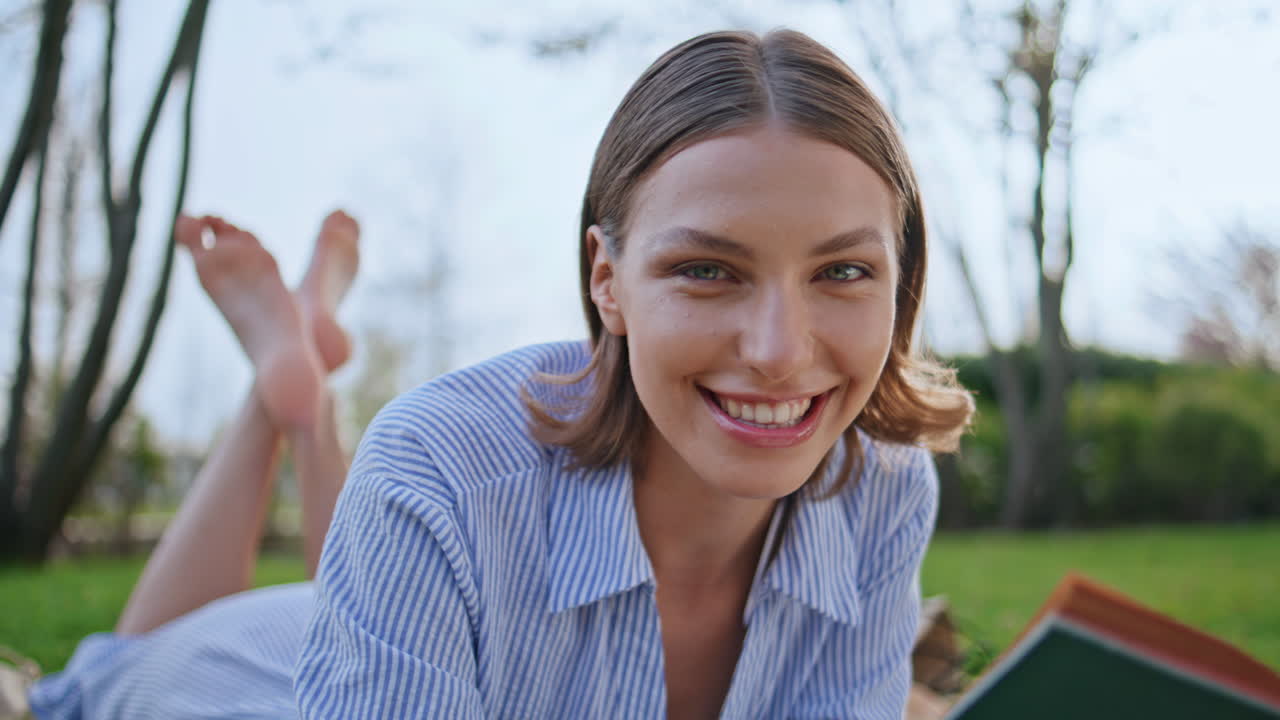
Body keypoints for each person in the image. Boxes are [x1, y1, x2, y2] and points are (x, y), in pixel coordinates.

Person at [31, 28, 972, 719]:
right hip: (232, 683)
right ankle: (292, 401)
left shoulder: (880, 489)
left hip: (360, 622)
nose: (778, 349)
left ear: (901, 282)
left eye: (843, 272)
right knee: (99, 682)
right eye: (707, 270)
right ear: (607, 282)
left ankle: (292, 391)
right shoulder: (443, 465)